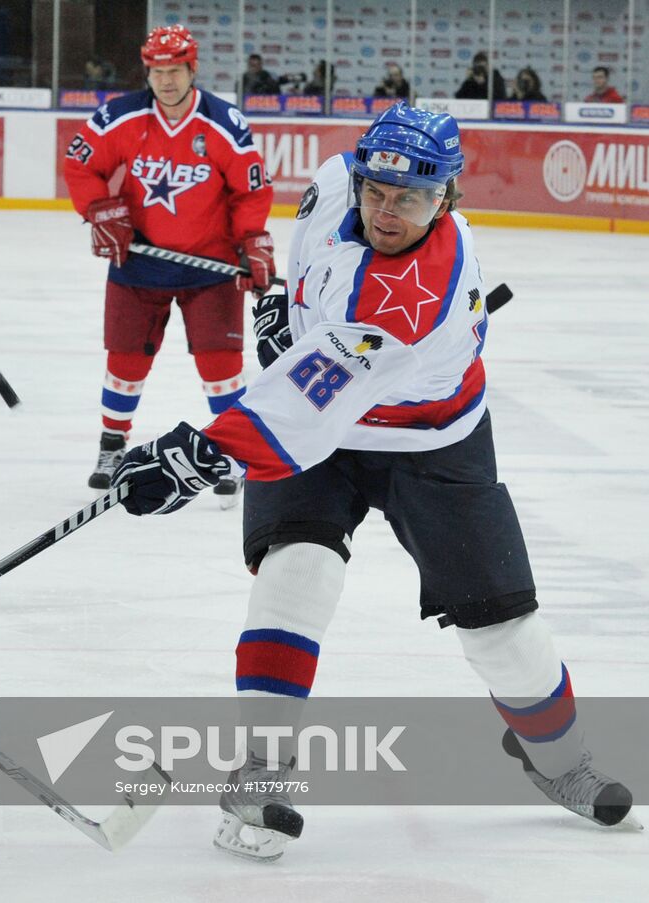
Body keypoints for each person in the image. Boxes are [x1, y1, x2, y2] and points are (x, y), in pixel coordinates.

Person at [107, 102, 634, 860]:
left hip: (431, 440)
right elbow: (308, 285)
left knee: (505, 632)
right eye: (378, 192)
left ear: (446, 198)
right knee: (298, 569)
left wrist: (190, 458)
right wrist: (283, 315)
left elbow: (299, 410)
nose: (387, 212)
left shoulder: (409, 300)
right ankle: (261, 768)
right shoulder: (334, 185)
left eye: (411, 199)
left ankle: (562, 761)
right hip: (327, 423)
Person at [62, 24, 274, 504]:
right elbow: (80, 165)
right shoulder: (120, 117)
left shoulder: (224, 122)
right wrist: (100, 208)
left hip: (211, 267)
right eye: (157, 72)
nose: (166, 81)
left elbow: (250, 189)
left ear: (191, 69)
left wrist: (252, 240)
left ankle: (230, 454)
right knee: (126, 360)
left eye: (175, 70)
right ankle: (112, 445)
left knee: (221, 366)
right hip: (139, 261)